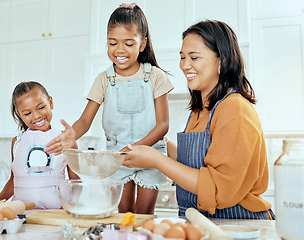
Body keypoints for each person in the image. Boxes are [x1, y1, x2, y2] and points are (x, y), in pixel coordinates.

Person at [123, 20, 275, 219]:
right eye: (182, 57)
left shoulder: (235, 109)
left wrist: (156, 159)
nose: (185, 65)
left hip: (239, 226)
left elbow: (218, 188)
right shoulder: (199, 110)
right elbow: (194, 164)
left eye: (194, 57)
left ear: (222, 60)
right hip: (202, 222)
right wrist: (160, 142)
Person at [45, 3, 174, 214]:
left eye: (129, 43)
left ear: (142, 45)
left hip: (151, 156)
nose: (119, 50)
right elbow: (85, 120)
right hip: (117, 158)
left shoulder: (155, 77)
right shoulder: (104, 79)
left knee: (143, 216)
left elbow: (163, 125)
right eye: (113, 42)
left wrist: (136, 149)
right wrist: (72, 133)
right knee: (123, 216)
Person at [0, 81, 79, 209]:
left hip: (56, 212)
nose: (36, 116)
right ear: (19, 114)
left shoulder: (64, 139)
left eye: (41, 107)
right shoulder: (17, 142)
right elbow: (14, 180)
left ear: (50, 102)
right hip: (23, 213)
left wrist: (67, 207)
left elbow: (76, 181)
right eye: (27, 113)